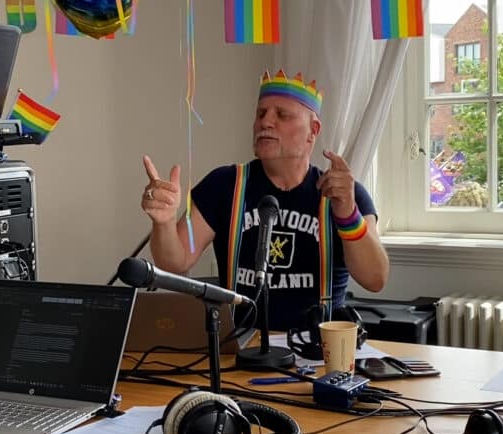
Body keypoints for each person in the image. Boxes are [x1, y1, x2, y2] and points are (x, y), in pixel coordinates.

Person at [140, 70, 389, 331]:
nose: (265, 122)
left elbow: (375, 279)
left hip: (318, 352)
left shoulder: (345, 194)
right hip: (239, 347)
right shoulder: (223, 184)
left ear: (313, 131)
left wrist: (348, 214)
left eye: (282, 115)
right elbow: (174, 262)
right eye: (261, 114)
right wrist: (164, 223)